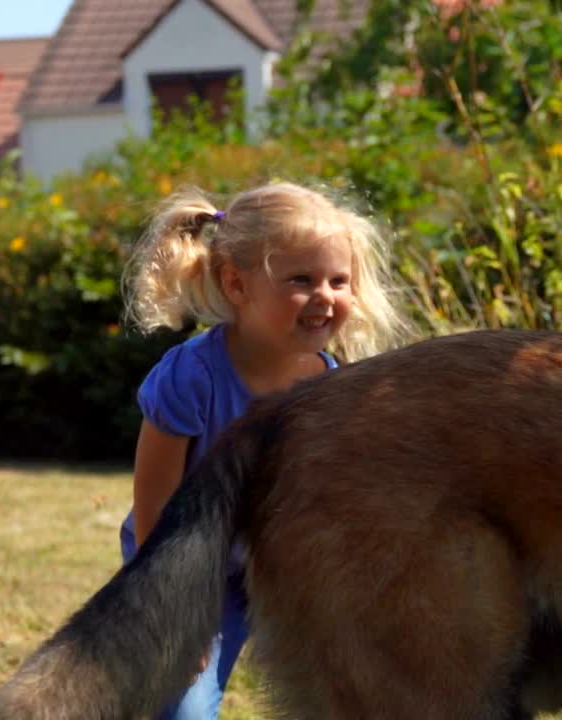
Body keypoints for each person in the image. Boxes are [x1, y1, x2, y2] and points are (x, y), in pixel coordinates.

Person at [119, 181, 412, 719]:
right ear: (236, 283)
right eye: (302, 279)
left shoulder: (337, 389)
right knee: (177, 705)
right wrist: (168, 615)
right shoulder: (192, 378)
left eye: (338, 280)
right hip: (187, 568)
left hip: (289, 568)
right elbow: (153, 505)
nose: (325, 295)